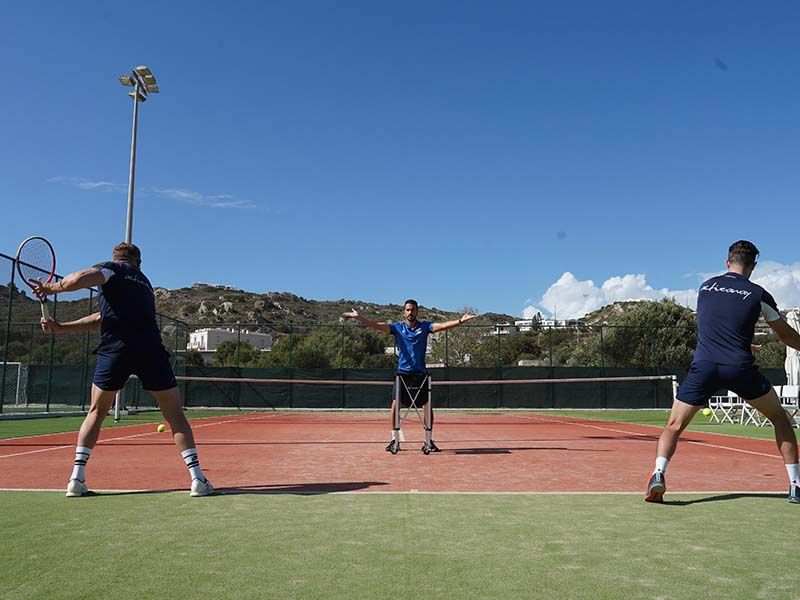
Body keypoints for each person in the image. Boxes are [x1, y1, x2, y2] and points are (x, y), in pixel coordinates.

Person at [33, 242, 214, 497]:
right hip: (150, 351)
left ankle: (76, 478)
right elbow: (101, 318)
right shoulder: (145, 285)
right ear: (138, 262)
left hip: (115, 351)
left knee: (96, 412)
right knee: (175, 416)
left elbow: (81, 279)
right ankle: (197, 480)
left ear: (115, 258)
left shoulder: (111, 270)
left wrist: (51, 289)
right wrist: (61, 327)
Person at [645, 240, 800, 504]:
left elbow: (715, 325)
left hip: (704, 367)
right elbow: (786, 336)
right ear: (752, 267)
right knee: (781, 419)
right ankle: (795, 484)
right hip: (739, 368)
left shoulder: (705, 287)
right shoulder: (758, 293)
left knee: (673, 425)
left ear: (727, 261)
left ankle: (658, 474)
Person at [342, 299, 477, 453]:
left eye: (412, 310)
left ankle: (428, 440)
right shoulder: (397, 328)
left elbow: (442, 326)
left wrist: (460, 321)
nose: (410, 312)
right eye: (407, 310)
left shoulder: (425, 327)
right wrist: (359, 318)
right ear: (403, 312)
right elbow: (378, 326)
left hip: (420, 374)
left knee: (427, 406)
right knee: (395, 404)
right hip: (402, 373)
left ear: (417, 311)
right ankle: (394, 439)